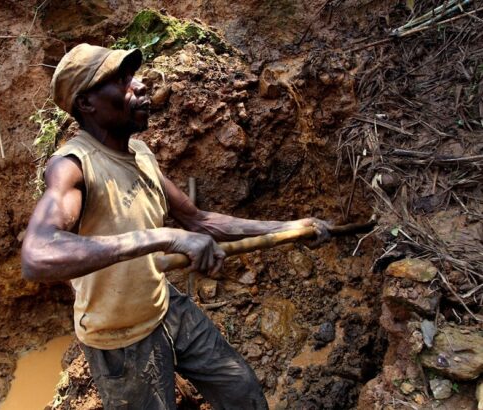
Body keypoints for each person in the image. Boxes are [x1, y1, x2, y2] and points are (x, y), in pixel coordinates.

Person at [21, 43, 332, 410]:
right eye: (121, 81)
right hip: (119, 339)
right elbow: (37, 255)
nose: (139, 85)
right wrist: (166, 237)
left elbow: (199, 221)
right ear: (87, 103)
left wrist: (292, 226)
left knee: (241, 389)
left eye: (132, 76)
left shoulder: (141, 155)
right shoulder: (74, 166)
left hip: (166, 308)